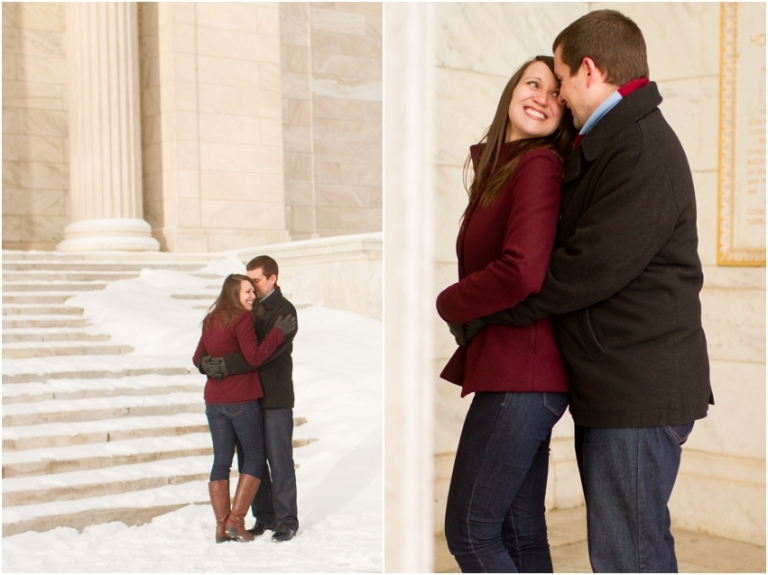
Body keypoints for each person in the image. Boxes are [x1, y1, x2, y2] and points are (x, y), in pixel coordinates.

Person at [457, 10, 713, 573]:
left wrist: (483, 309)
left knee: (629, 557)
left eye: (563, 80)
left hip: (639, 390)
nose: (559, 98)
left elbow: (588, 267)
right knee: (627, 549)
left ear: (589, 71)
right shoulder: (614, 138)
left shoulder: (641, 146)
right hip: (619, 385)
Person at [435, 55, 576, 573]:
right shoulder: (505, 166)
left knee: (470, 532)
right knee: (519, 532)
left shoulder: (538, 164)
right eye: (532, 83)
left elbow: (521, 272)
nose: (542, 96)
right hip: (524, 375)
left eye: (556, 93)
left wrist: (448, 301)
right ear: (511, 92)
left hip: (523, 373)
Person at [200, 256, 300, 542]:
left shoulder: (285, 311)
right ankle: (264, 516)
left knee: (279, 459)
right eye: (249, 282)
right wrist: (208, 362)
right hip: (246, 395)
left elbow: (261, 356)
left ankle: (286, 520)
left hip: (275, 394)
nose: (252, 287)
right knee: (250, 459)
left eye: (256, 281)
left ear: (272, 279)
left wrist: (224, 366)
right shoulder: (245, 308)